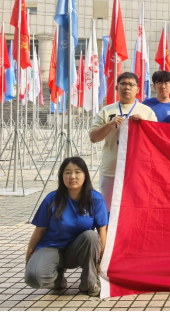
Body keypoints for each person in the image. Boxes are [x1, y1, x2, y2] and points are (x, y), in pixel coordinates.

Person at [25, 157, 108, 297]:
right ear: (61, 176)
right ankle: (58, 279)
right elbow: (39, 231)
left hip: (77, 251)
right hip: (52, 247)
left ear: (85, 175)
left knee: (91, 236)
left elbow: (102, 231)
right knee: (33, 277)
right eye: (67, 172)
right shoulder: (52, 199)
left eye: (77, 172)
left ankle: (89, 282)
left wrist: (101, 261)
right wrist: (29, 258)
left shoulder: (96, 199)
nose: (72, 176)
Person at [89, 72, 158, 211]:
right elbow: (93, 137)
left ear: (137, 89)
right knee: (108, 210)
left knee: (136, 209)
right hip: (111, 169)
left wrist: (144, 125)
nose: (127, 87)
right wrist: (109, 124)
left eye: (131, 84)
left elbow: (156, 140)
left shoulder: (147, 112)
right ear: (117, 87)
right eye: (123, 84)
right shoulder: (107, 111)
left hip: (138, 170)